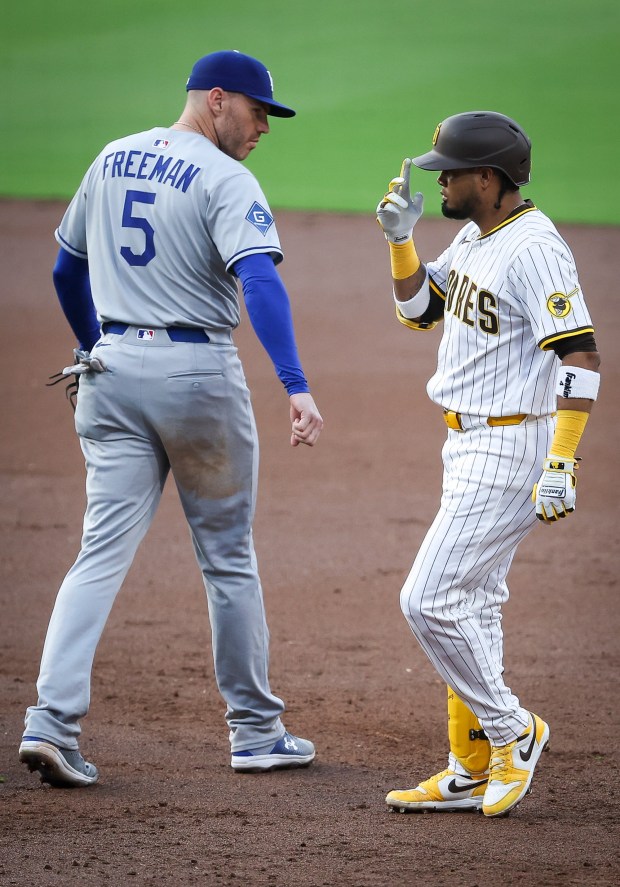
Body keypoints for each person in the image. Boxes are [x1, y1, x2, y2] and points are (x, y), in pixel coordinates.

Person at [19, 50, 323, 788]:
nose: (262, 130)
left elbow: (66, 270)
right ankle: (255, 732)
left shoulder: (112, 155)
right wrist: (295, 382)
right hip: (196, 378)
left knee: (97, 552)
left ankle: (50, 723)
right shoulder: (226, 178)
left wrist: (96, 345)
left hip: (112, 369)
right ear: (216, 100)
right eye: (256, 113)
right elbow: (258, 279)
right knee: (226, 557)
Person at [375, 111, 600, 817]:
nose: (438, 177)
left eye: (450, 169)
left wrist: (562, 460)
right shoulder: (478, 233)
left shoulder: (535, 248)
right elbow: (419, 311)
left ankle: (512, 730)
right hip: (466, 442)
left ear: (489, 178)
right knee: (471, 599)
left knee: (428, 598)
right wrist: (402, 240)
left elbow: (581, 354)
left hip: (511, 445)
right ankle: (470, 765)